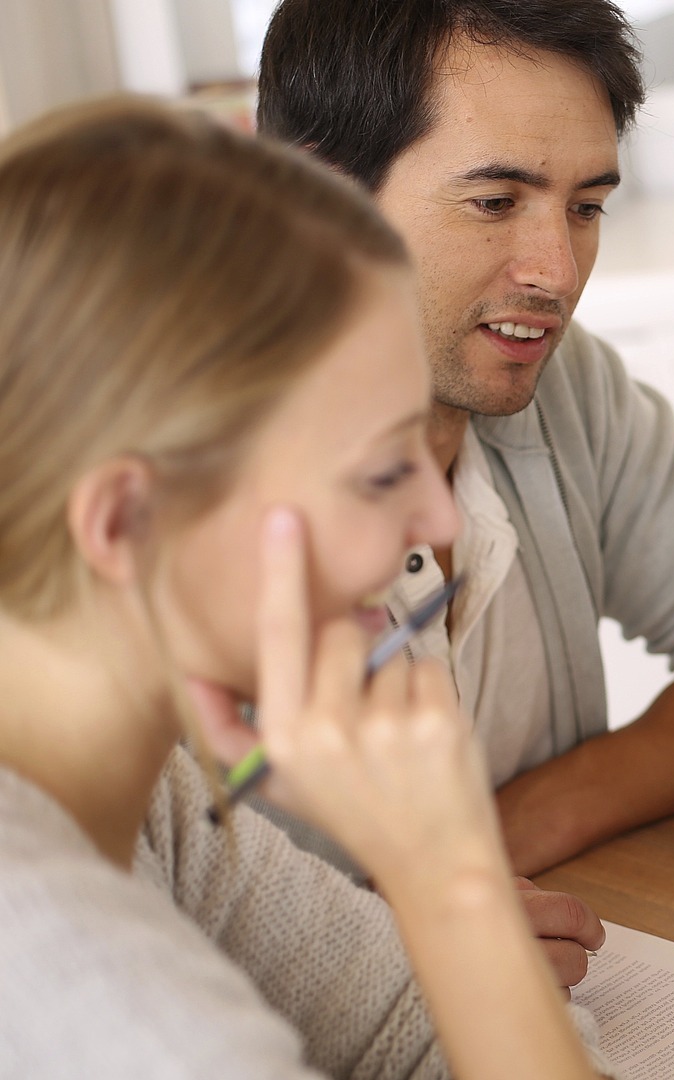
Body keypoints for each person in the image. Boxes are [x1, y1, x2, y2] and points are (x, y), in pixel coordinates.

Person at [0, 100, 609, 1079]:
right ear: (123, 523)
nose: (440, 522)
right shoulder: (50, 975)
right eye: (378, 474)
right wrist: (449, 886)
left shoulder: (155, 788)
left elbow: (417, 1034)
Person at [251, 0, 674, 878]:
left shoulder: (560, 387)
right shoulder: (158, 484)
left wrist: (541, 814)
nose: (557, 271)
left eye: (585, 208)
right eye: (495, 202)